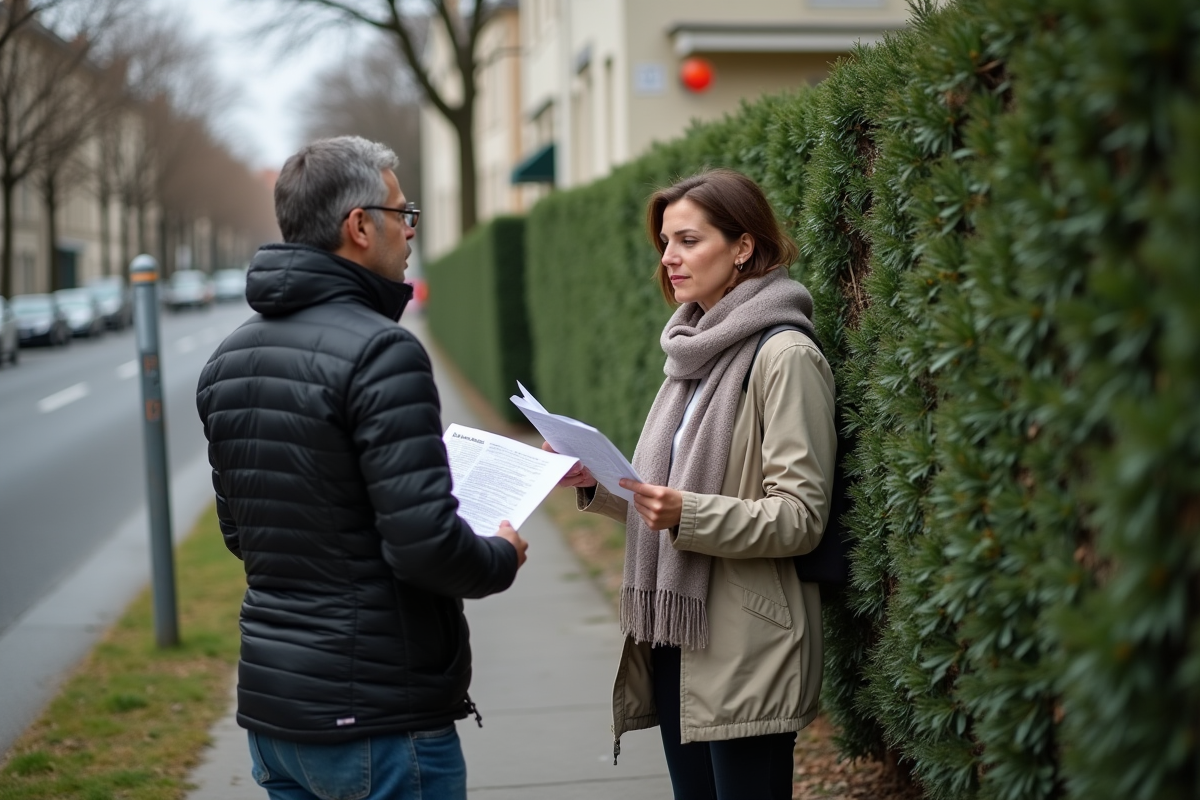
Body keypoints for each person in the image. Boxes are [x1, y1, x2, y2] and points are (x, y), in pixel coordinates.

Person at [196, 136, 528, 800]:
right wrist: (499, 555)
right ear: (358, 226)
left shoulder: (227, 361)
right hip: (379, 725)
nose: (410, 230)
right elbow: (426, 548)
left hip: (278, 722)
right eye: (402, 212)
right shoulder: (383, 352)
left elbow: (244, 535)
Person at [548, 169, 836, 799]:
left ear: (744, 246)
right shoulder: (691, 354)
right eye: (664, 243)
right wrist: (598, 481)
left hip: (747, 639)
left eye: (687, 240)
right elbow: (668, 498)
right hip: (680, 630)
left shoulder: (785, 356)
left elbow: (800, 515)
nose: (669, 258)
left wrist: (688, 512)